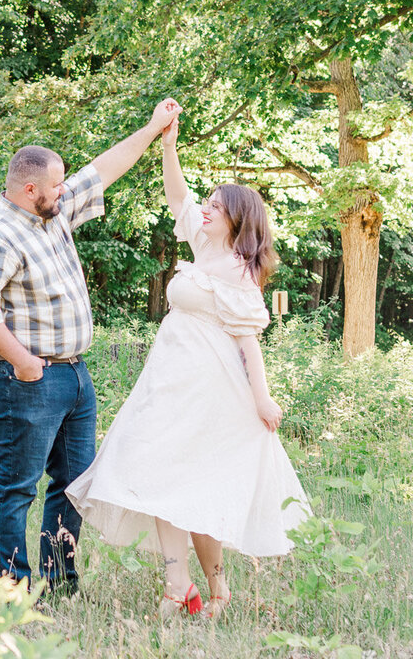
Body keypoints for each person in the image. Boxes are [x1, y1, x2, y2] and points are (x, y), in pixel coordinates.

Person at [65, 114, 311, 617]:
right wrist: (166, 144)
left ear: (237, 220)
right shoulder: (200, 246)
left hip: (210, 388)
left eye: (217, 207)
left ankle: (213, 590)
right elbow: (177, 194)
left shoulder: (241, 273)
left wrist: (262, 398)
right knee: (155, 471)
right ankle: (179, 586)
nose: (206, 209)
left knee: (193, 483)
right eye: (209, 203)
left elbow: (248, 343)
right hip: (167, 382)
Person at [0, 98, 183, 594]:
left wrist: (152, 128)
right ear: (30, 188)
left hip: (74, 376)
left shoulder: (52, 213)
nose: (66, 189)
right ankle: (11, 590)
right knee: (17, 487)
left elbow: (103, 170)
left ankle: (61, 584)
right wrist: (24, 363)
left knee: (73, 487)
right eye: (57, 184)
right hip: (26, 378)